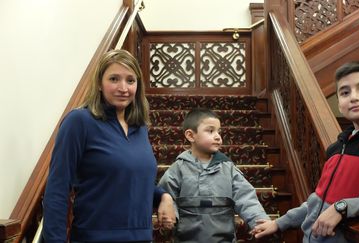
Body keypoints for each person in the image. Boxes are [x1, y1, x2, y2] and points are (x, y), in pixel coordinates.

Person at [251, 61, 359, 242]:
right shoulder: (338, 146)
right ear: (339, 104)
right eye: (345, 92)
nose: (353, 97)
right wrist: (279, 223)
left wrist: (342, 207)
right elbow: (318, 202)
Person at [42, 49, 176, 243]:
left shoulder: (140, 127)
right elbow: (57, 189)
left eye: (130, 80)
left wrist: (164, 197)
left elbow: (131, 179)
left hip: (142, 237)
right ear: (99, 83)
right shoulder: (79, 121)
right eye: (114, 79)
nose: (123, 88)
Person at [157, 108, 270, 242]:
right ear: (190, 136)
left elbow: (246, 198)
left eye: (218, 132)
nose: (218, 136)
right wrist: (170, 216)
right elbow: (167, 196)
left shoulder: (228, 168)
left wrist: (259, 221)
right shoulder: (178, 169)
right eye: (210, 131)